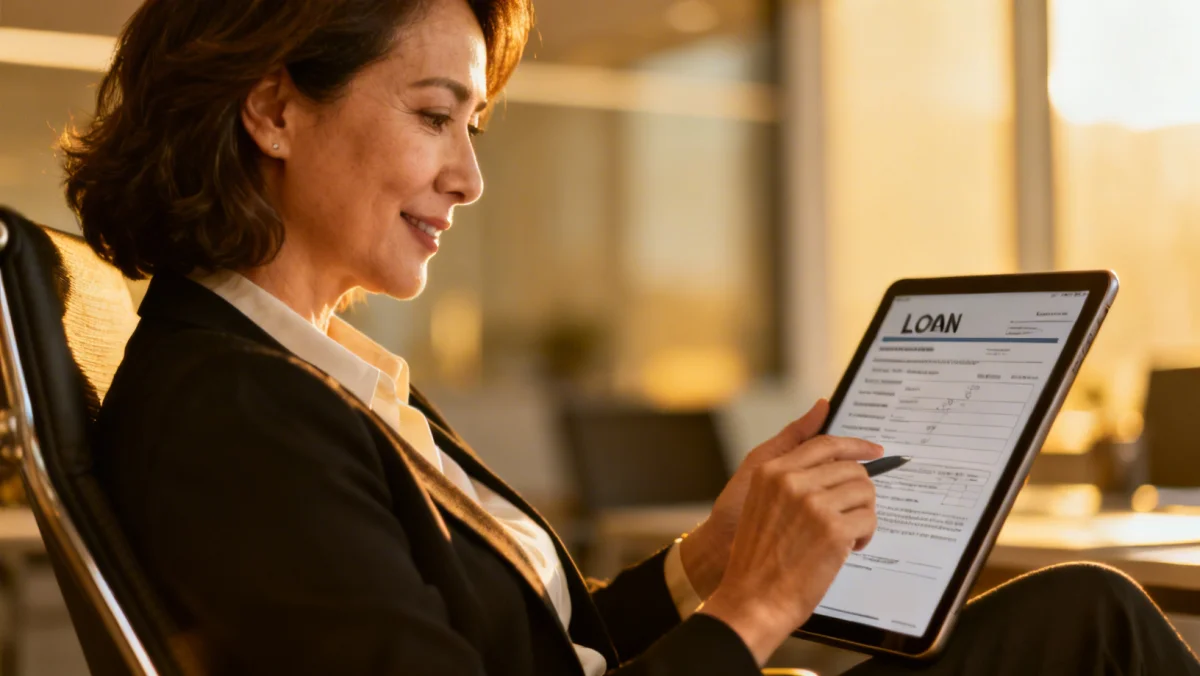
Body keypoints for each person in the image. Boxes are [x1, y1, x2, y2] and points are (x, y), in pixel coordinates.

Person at [62, 0, 1200, 674]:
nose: (468, 176)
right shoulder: (238, 419)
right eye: (431, 116)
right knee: (1089, 625)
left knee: (1079, 613)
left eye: (474, 124)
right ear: (272, 110)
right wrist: (754, 610)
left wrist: (711, 556)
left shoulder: (306, 375)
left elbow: (543, 648)